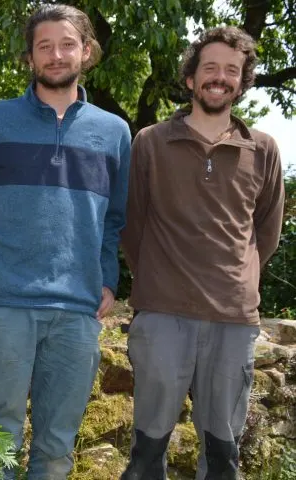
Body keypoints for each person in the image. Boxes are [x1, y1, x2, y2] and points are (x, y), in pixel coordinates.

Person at [0, 4, 131, 478]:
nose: (56, 55)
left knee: (57, 448)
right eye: (45, 46)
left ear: (86, 51)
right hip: (5, 308)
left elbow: (115, 218)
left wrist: (107, 278)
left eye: (67, 44)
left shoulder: (114, 132)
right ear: (30, 57)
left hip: (77, 314)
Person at [120, 26, 285, 480]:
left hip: (233, 319)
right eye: (209, 67)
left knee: (223, 453)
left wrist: (237, 278)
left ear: (242, 81)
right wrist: (160, 275)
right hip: (161, 314)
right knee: (147, 449)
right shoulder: (150, 142)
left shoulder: (264, 149)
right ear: (191, 78)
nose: (220, 77)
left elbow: (265, 233)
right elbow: (131, 225)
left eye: (231, 70)